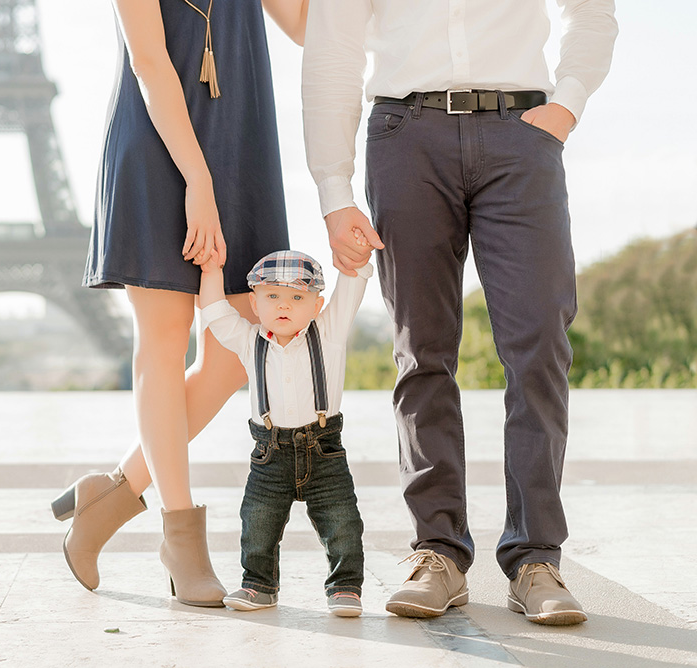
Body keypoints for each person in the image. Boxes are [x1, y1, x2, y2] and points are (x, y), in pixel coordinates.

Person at [302, 0, 617, 625]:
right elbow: (333, 52)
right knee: (421, 349)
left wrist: (568, 102)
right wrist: (333, 190)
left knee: (539, 344)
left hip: (523, 131)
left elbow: (591, 11)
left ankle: (536, 559)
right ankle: (438, 551)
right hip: (405, 136)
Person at [51, 0, 310, 608]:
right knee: (164, 345)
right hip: (160, 148)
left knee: (235, 357)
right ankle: (181, 536)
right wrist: (197, 179)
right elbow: (148, 59)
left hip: (242, 151)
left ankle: (112, 497)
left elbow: (303, 26)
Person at [198, 248, 373, 617]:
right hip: (269, 454)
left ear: (317, 304)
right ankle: (258, 584)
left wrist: (354, 252)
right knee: (257, 522)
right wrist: (212, 270)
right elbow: (214, 311)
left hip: (323, 449)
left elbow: (352, 285)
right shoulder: (250, 341)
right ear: (254, 302)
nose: (284, 305)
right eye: (272, 296)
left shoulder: (329, 332)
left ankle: (345, 587)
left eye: (298, 297)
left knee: (342, 521)